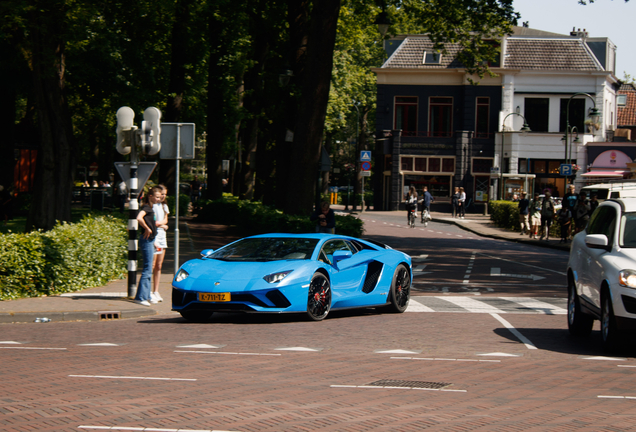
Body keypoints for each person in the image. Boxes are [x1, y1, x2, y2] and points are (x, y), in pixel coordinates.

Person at [135, 186, 163, 306]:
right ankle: (142, 297)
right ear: (150, 196)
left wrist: (154, 241)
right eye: (157, 197)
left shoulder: (151, 208)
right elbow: (138, 218)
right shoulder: (147, 207)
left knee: (149, 269)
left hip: (150, 241)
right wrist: (146, 228)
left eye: (160, 197)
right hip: (146, 240)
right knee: (147, 269)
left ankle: (143, 295)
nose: (158, 199)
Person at [151, 185, 170, 303]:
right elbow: (153, 221)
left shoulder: (164, 206)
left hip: (162, 237)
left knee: (159, 265)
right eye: (161, 194)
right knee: (152, 264)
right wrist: (160, 224)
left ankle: (156, 291)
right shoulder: (151, 206)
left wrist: (161, 223)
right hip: (154, 236)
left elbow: (165, 220)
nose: (163, 196)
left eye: (165, 194)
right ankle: (148, 291)